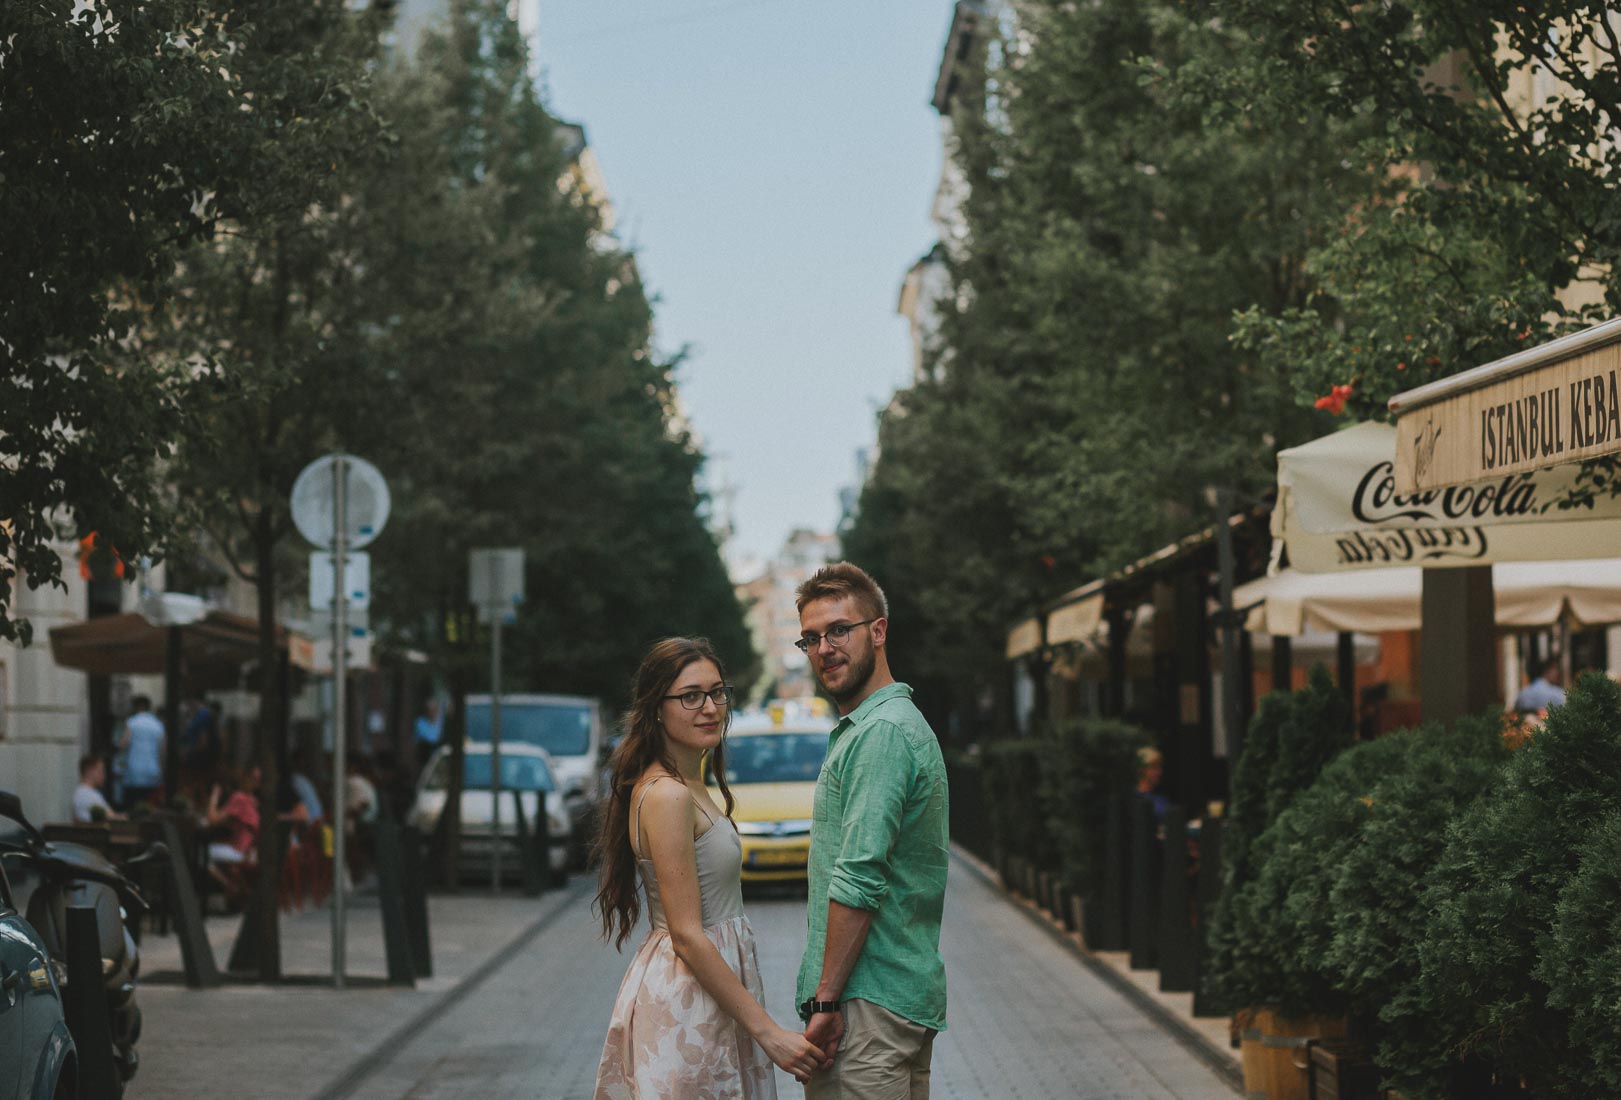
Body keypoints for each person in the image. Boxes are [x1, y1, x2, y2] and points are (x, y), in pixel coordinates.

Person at [593, 637, 823, 1098]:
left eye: (717, 692)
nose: (710, 708)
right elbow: (686, 934)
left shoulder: (688, 782)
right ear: (657, 707)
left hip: (712, 994)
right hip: (688, 1000)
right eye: (690, 696)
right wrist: (769, 1032)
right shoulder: (668, 794)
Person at [794, 562, 949, 1099]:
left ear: (878, 631)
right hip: (887, 1000)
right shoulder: (882, 726)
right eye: (810, 638)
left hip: (866, 1007)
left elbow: (858, 879)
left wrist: (825, 1002)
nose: (824, 648)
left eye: (840, 630)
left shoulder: (880, 733)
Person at [205, 766, 262, 896]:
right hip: (252, 851)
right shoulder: (254, 800)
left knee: (203, 854)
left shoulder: (239, 798)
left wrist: (214, 796)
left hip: (242, 853)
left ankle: (230, 886)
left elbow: (212, 820)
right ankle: (233, 887)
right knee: (219, 846)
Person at [119, 696, 166, 811]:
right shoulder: (158, 724)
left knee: (133, 806)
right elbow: (163, 749)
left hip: (134, 771)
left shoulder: (132, 722)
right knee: (150, 805)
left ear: (137, 707)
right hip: (152, 770)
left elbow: (124, 744)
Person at [72, 755, 124, 824]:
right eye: (101, 771)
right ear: (90, 771)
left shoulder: (80, 793)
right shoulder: (88, 795)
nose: (104, 776)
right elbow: (111, 818)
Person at [1136, 746, 1169, 823]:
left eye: (1159, 767)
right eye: (1154, 768)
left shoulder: (1161, 798)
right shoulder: (1135, 800)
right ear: (1141, 769)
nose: (1159, 772)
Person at [414, 698, 443, 773]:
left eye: (434, 710)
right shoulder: (420, 723)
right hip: (425, 756)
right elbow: (431, 739)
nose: (432, 712)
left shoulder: (440, 723)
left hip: (440, 758)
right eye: (430, 710)